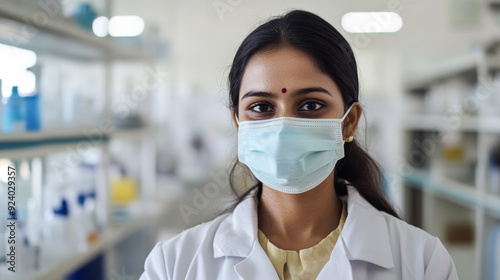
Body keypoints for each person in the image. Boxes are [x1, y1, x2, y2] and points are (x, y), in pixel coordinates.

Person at [139, 9, 458, 280]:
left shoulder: (422, 262)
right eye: (261, 107)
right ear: (238, 122)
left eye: (310, 105)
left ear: (349, 121)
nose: (283, 128)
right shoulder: (173, 266)